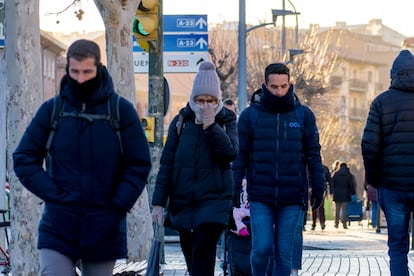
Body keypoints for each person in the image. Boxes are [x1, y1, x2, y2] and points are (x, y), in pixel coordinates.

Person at [13, 39, 152, 275]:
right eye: (74, 71)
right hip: (59, 225)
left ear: (98, 68)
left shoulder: (121, 111)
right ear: (67, 68)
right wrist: (53, 193)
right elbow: (24, 158)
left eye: (87, 72)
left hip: (104, 226)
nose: (80, 79)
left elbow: (139, 163)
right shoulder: (52, 110)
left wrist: (118, 204)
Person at [232, 63, 325, 275]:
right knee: (261, 249)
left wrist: (318, 187)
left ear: (290, 84)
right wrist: (234, 189)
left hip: (292, 197)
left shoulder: (303, 116)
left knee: (284, 253)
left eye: (284, 86)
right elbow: (240, 157)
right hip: (260, 195)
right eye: (274, 87)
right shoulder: (250, 116)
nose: (279, 92)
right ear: (265, 85)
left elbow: (314, 155)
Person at [151, 61, 239, 276]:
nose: (205, 105)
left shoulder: (227, 121)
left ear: (218, 100)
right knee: (191, 256)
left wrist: (211, 127)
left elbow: (230, 153)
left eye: (211, 101)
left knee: (203, 251)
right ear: (193, 99)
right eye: (200, 100)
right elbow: (167, 164)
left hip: (215, 201)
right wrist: (158, 203)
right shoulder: (180, 122)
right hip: (184, 202)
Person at [361, 49, 414, 276]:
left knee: (398, 246)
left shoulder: (381, 102)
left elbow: (369, 145)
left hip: (391, 186)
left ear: (393, 75)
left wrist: (373, 179)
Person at [332, 162, 356, 229]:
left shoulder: (336, 174)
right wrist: (353, 193)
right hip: (346, 194)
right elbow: (351, 185)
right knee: (345, 210)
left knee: (337, 210)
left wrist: (333, 191)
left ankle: (336, 223)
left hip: (337, 194)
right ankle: (344, 224)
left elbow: (332, 183)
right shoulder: (348, 174)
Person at [311, 163, 331, 230]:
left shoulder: (312, 166)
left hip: (316, 188)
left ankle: (316, 223)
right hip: (321, 188)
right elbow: (329, 179)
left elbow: (329, 179)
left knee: (315, 206)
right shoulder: (325, 168)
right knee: (320, 206)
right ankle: (320, 222)